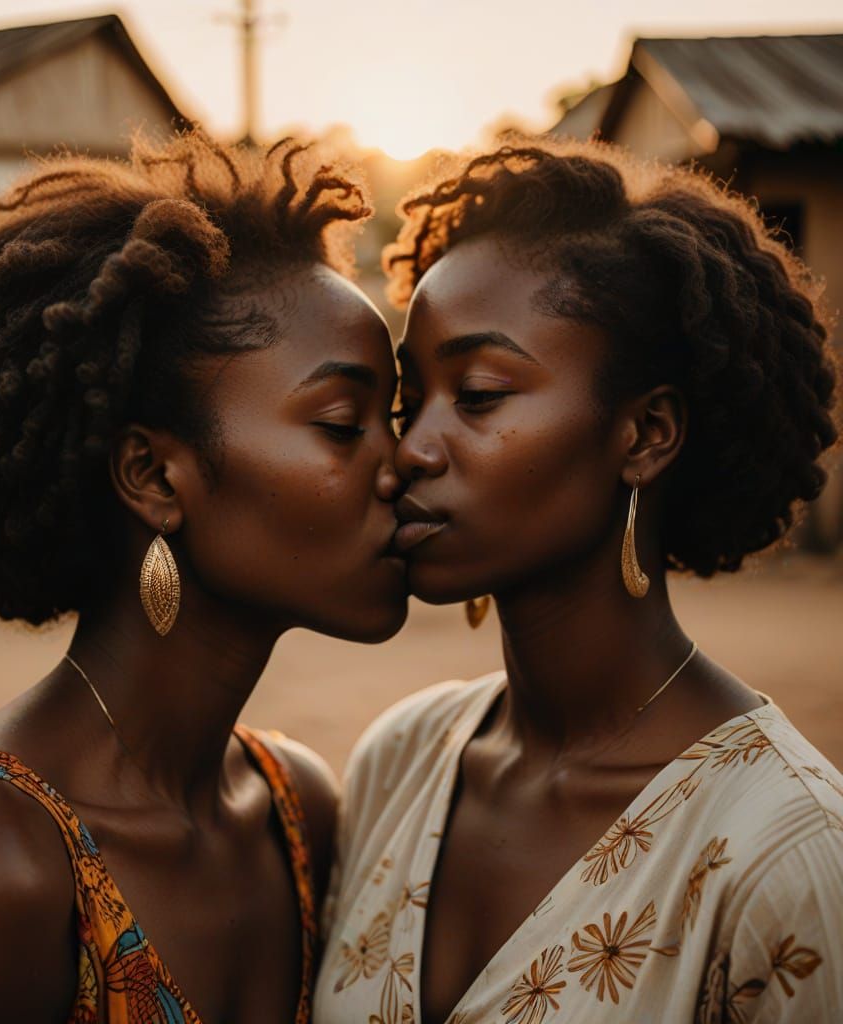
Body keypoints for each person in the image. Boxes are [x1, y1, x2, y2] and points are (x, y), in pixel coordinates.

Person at [0, 131, 408, 1024]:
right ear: (153, 475)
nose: (402, 465)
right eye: (342, 422)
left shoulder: (299, 812)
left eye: (392, 416)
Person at [315, 136, 842, 1024]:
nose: (413, 448)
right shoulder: (398, 759)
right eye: (411, 402)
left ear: (644, 435)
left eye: (478, 395)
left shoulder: (789, 854)